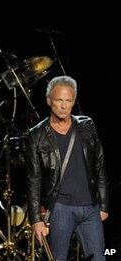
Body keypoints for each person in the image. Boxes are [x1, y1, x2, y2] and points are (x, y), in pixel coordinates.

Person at [25, 76, 109, 260]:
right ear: (49, 101)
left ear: (73, 101)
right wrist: (36, 219)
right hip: (60, 209)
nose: (64, 106)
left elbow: (99, 165)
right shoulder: (36, 135)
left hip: (90, 208)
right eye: (59, 100)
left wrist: (103, 205)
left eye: (68, 100)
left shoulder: (87, 125)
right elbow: (34, 179)